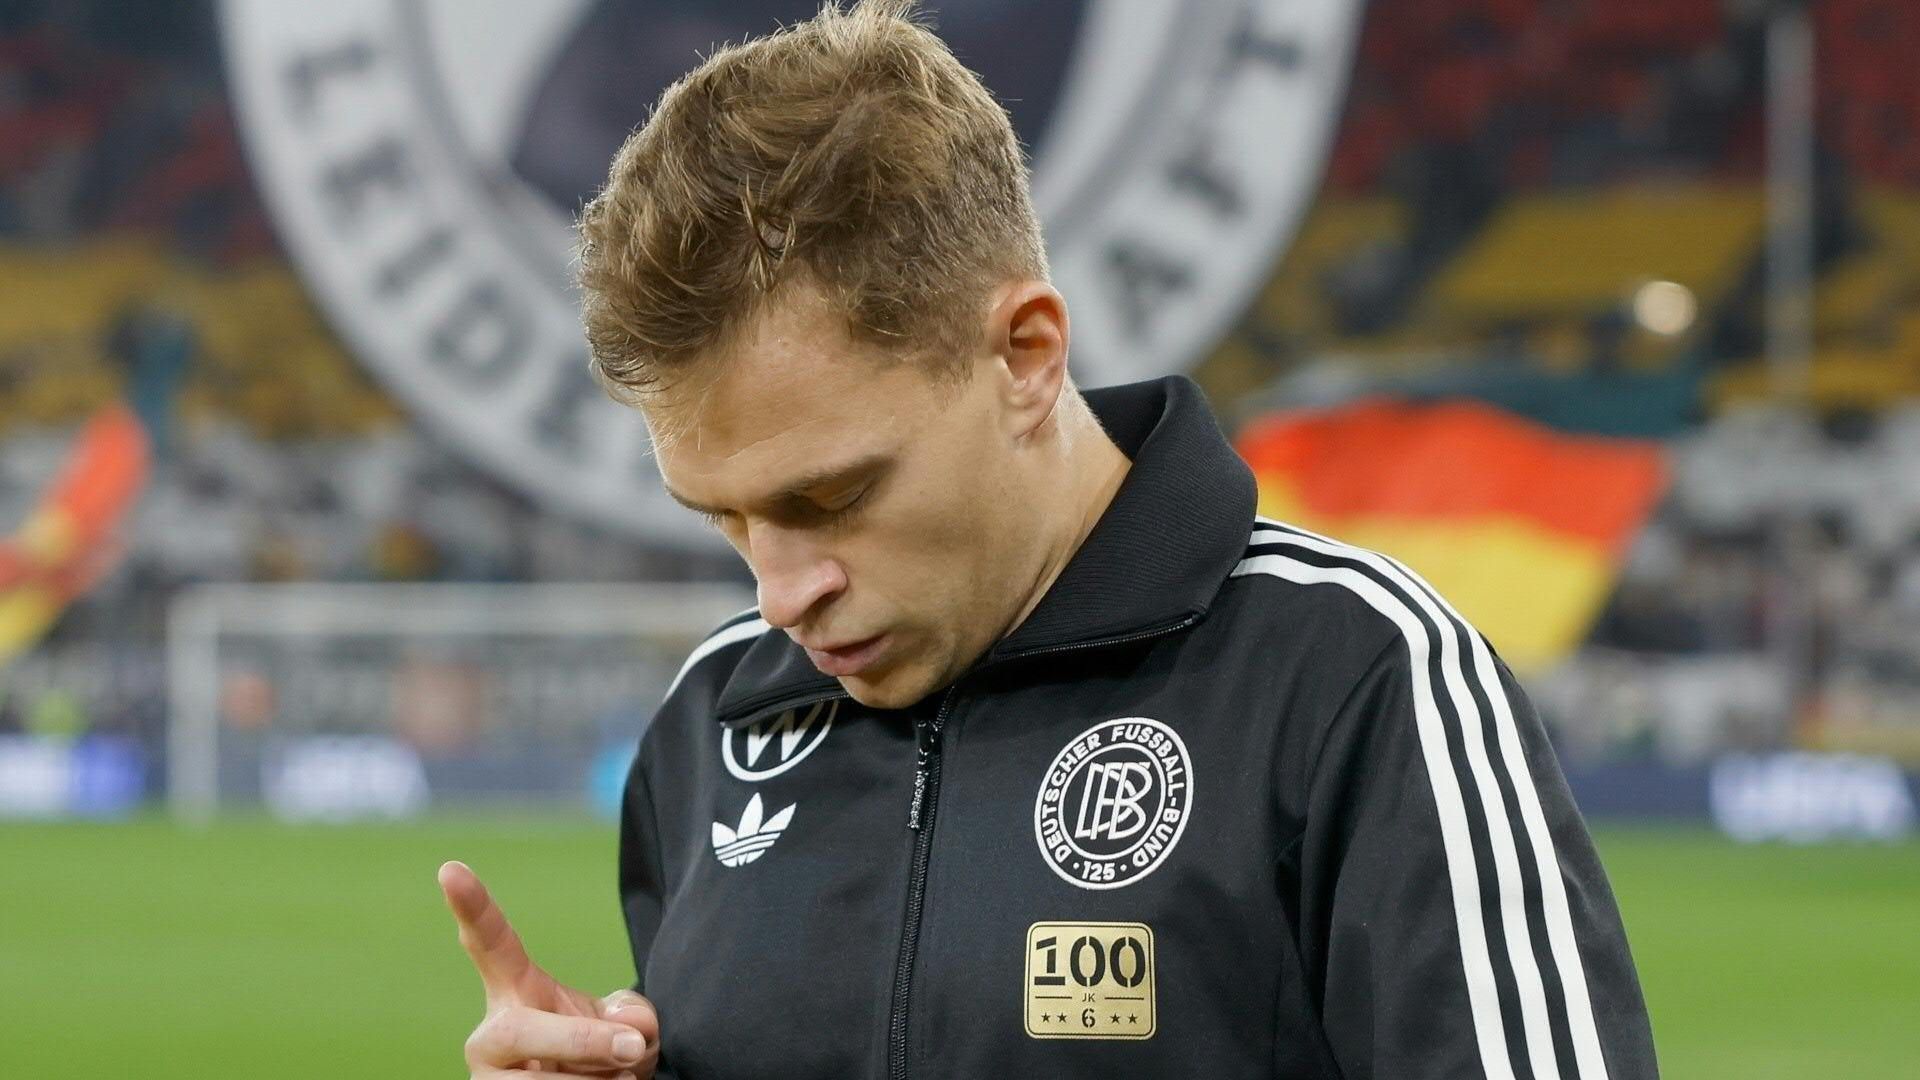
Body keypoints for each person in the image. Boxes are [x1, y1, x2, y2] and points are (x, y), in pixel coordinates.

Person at [442, 2, 1660, 1077]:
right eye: (726, 519)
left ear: (1025, 355)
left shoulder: (1351, 678)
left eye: (831, 497)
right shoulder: (716, 724)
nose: (779, 596)